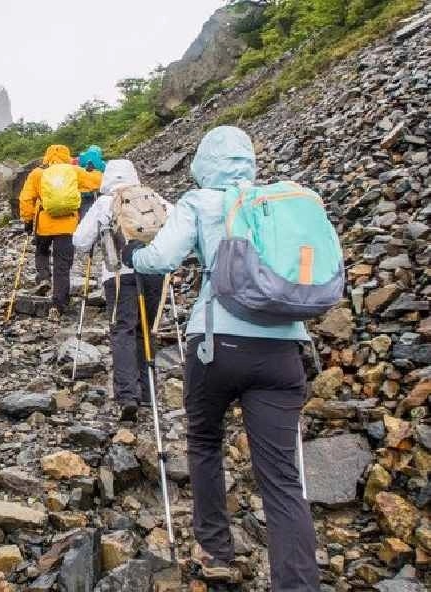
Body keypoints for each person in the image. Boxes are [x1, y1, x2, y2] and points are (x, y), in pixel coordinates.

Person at [122, 126, 320, 590]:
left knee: (206, 442)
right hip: (282, 349)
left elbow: (161, 259)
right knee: (283, 479)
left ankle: (216, 552)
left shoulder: (201, 201)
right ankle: (297, 584)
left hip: (216, 344)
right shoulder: (278, 203)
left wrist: (134, 254)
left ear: (203, 161)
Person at [73, 159, 164, 421]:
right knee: (146, 328)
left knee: (123, 328)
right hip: (153, 271)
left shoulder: (104, 203)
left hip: (117, 274)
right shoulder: (151, 196)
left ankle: (127, 395)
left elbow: (79, 241)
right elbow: (175, 221)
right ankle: (147, 393)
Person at [19, 144, 96, 321]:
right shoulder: (74, 170)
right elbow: (96, 183)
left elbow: (25, 198)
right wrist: (93, 170)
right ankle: (58, 305)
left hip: (44, 223)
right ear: (67, 155)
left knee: (42, 251)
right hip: (67, 225)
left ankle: (44, 277)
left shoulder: (38, 173)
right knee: (62, 267)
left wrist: (28, 219)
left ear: (47, 155)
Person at [77, 146, 105, 220]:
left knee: (86, 219)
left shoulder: (80, 167)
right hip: (99, 196)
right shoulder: (102, 166)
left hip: (84, 199)